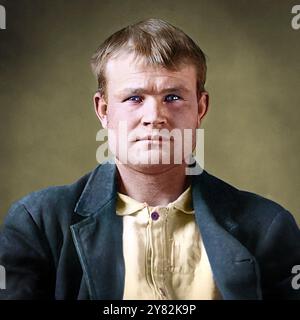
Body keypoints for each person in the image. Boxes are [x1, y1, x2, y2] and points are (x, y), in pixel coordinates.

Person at [0, 18, 299, 300]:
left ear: (201, 108)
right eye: (134, 98)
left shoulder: (268, 227)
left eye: (173, 97)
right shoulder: (38, 224)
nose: (154, 117)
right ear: (103, 110)